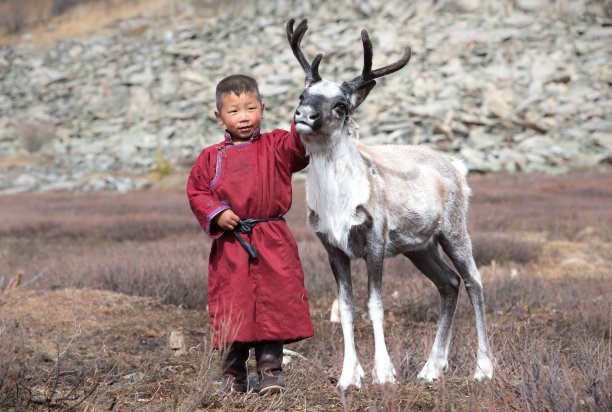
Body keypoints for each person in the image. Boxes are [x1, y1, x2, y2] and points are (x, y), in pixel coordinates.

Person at [186, 74, 314, 395]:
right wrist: (218, 213)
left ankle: (271, 373)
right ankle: (233, 377)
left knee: (275, 304)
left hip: (272, 239)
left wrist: (303, 115)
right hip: (232, 243)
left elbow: (300, 150)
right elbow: (198, 192)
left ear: (262, 109)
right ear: (219, 117)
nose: (243, 117)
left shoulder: (276, 144)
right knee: (234, 306)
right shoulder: (210, 157)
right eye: (234, 111)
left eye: (250, 108)